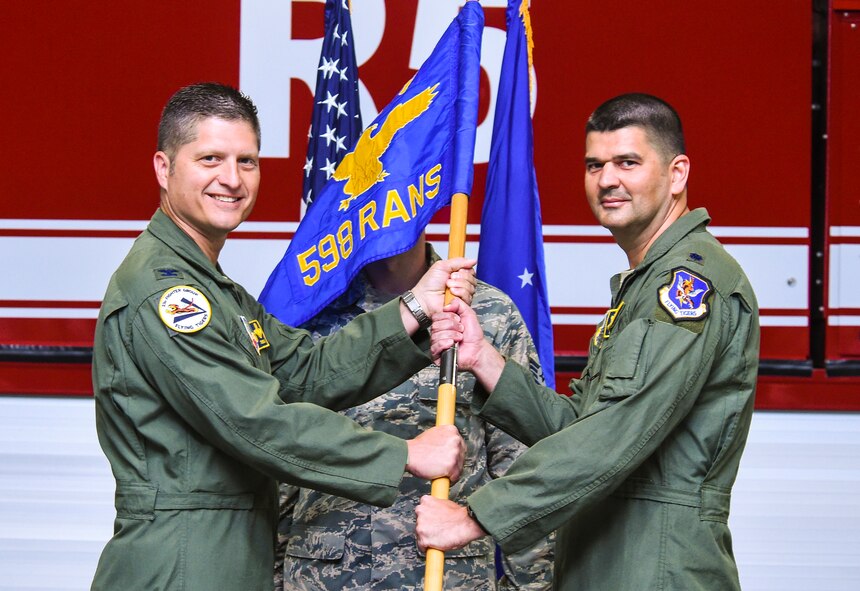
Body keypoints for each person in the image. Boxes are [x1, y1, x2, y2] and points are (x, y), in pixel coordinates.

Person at [90, 82, 477, 591]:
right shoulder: (168, 296)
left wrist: (414, 307)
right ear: (164, 168)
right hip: (183, 559)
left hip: (227, 550)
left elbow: (305, 371)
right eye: (210, 159)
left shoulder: (214, 288)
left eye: (246, 161)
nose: (231, 179)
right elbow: (255, 422)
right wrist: (405, 454)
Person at [417, 93, 760, 590]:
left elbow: (616, 434)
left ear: (677, 173)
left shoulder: (688, 285)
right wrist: (484, 360)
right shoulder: (644, 283)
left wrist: (475, 518)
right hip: (605, 558)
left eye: (628, 162)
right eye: (594, 164)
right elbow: (579, 428)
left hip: (656, 566)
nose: (607, 180)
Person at [274, 233, 554, 590]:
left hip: (447, 576)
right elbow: (279, 465)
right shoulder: (307, 310)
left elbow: (523, 468)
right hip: (323, 577)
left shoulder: (487, 312)